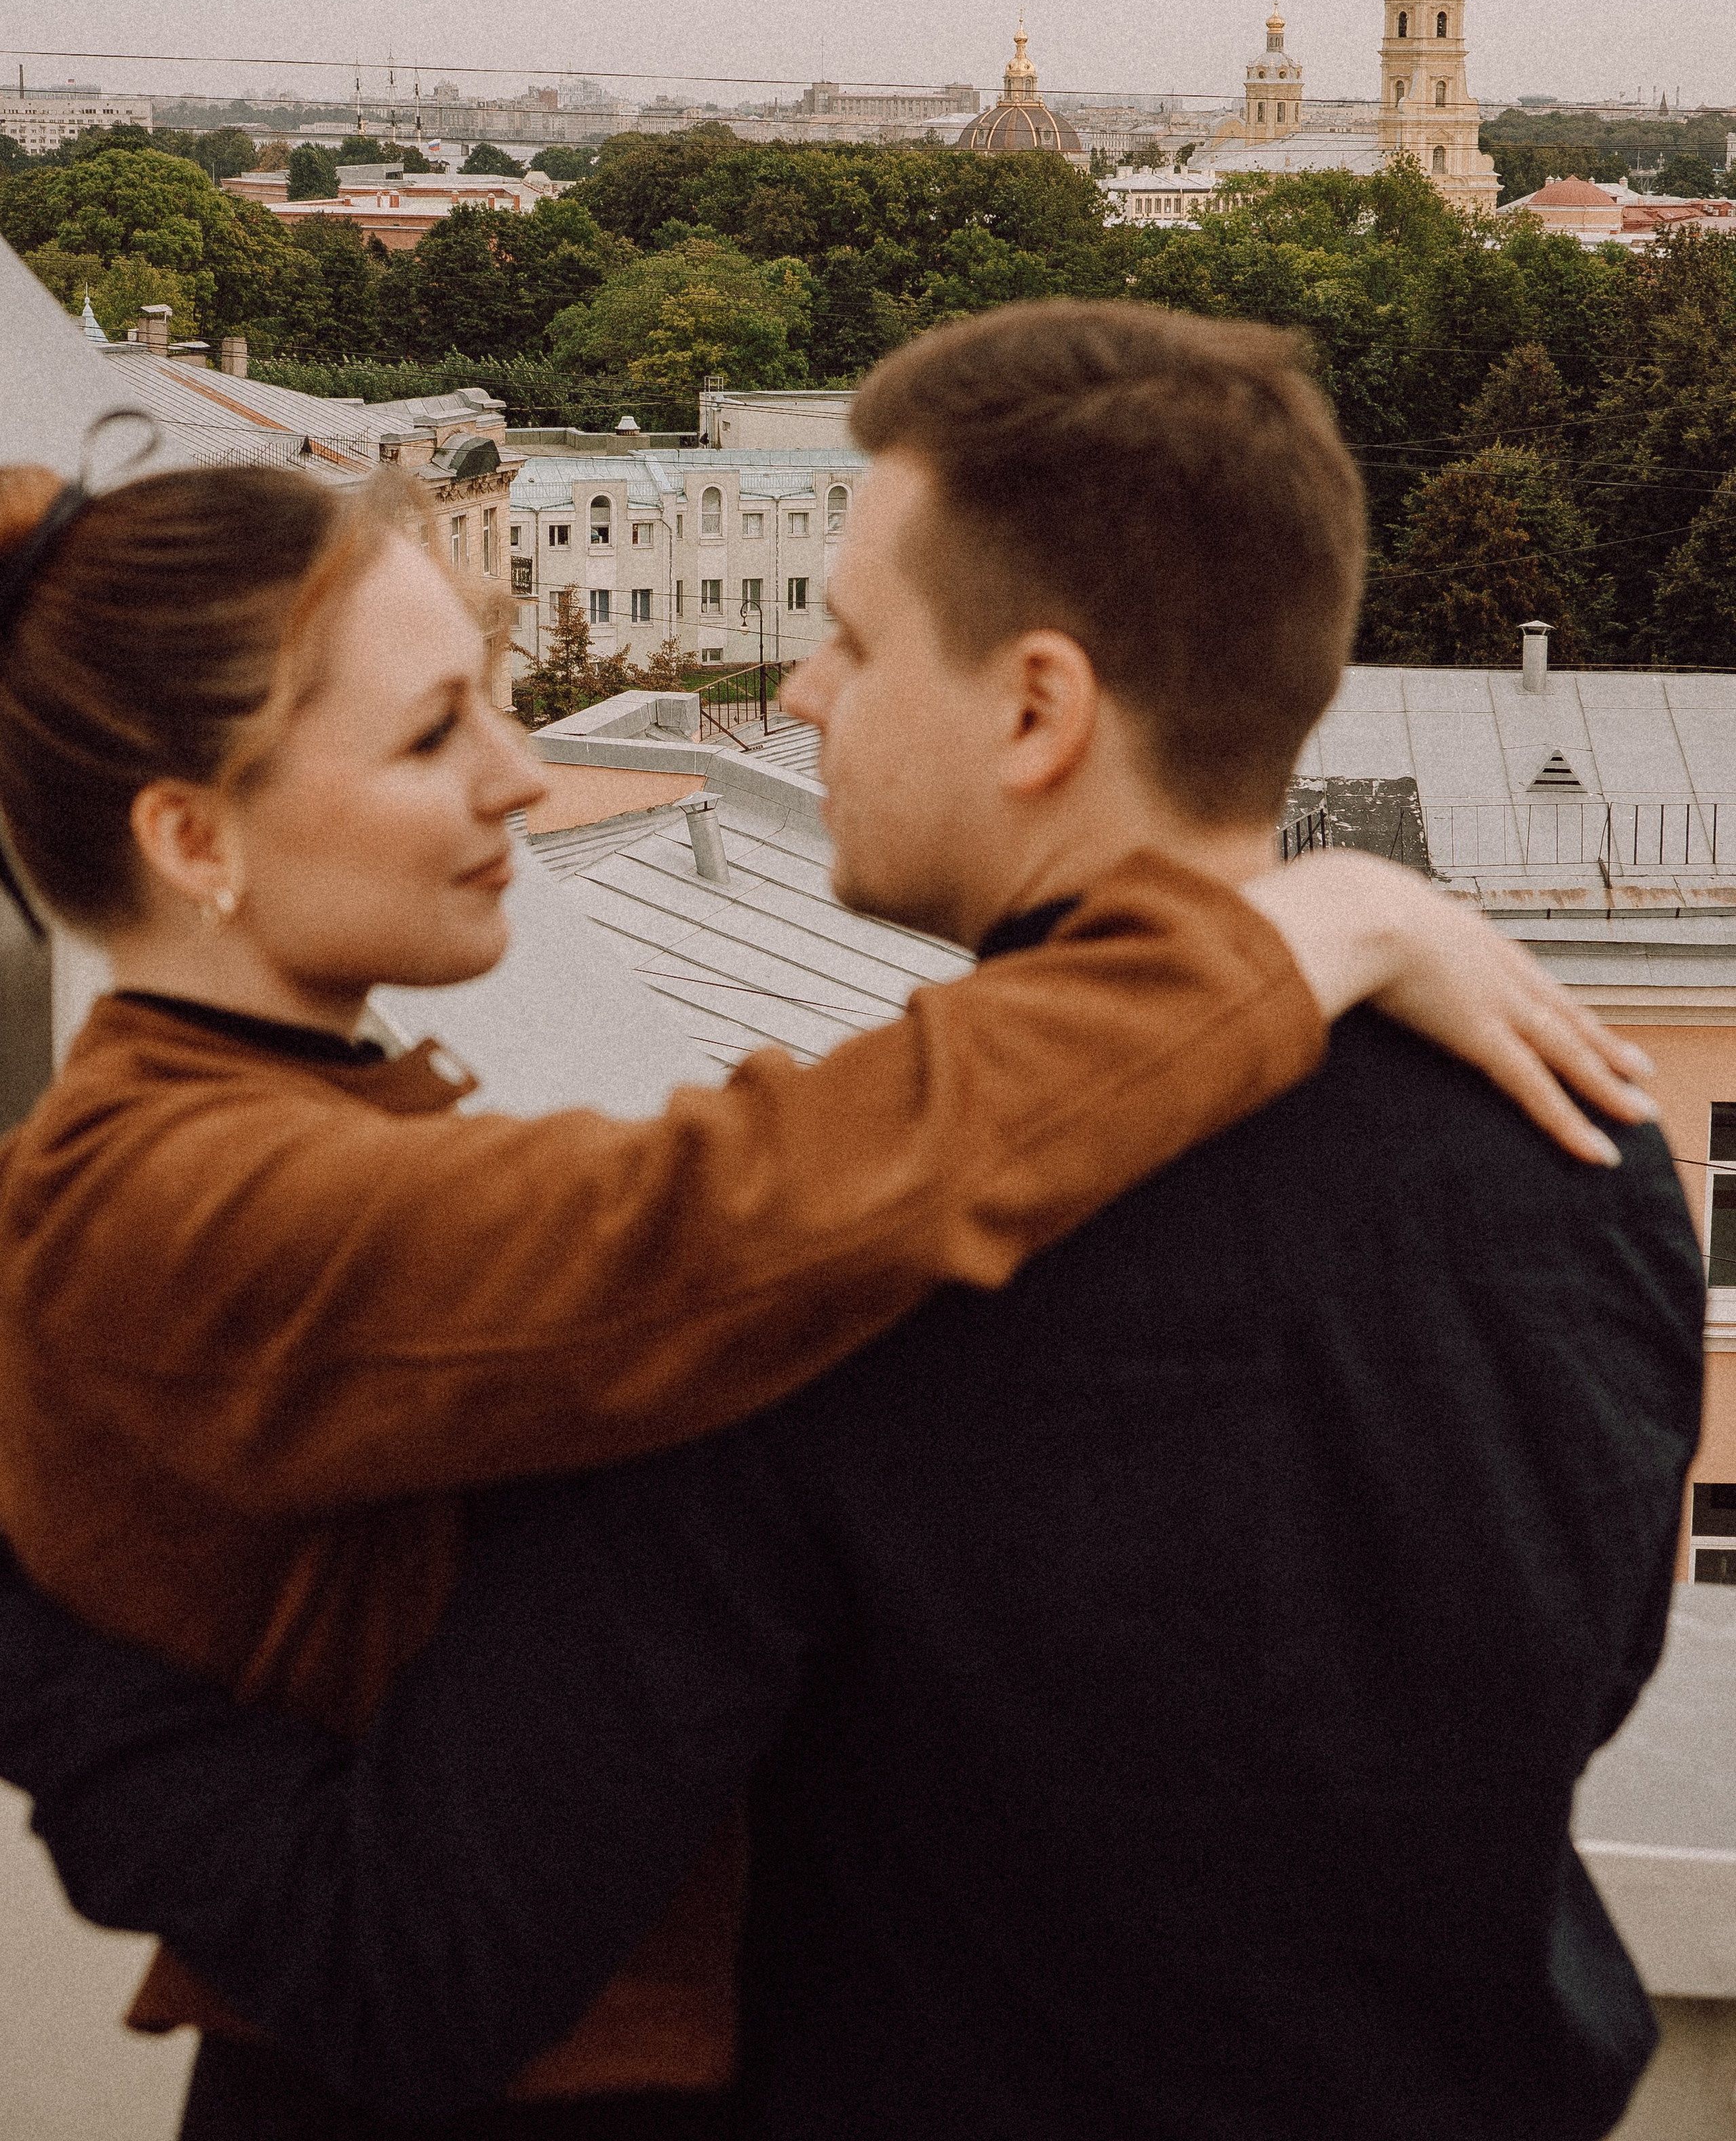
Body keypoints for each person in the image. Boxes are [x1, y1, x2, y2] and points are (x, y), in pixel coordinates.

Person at [0, 303, 1680, 2141]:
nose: (794, 695)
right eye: (436, 729)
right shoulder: (1599, 1155)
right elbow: (1570, 1681)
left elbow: (436, 1948)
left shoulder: (812, 1306)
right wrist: (1318, 912)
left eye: (850, 640)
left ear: (1036, 707)